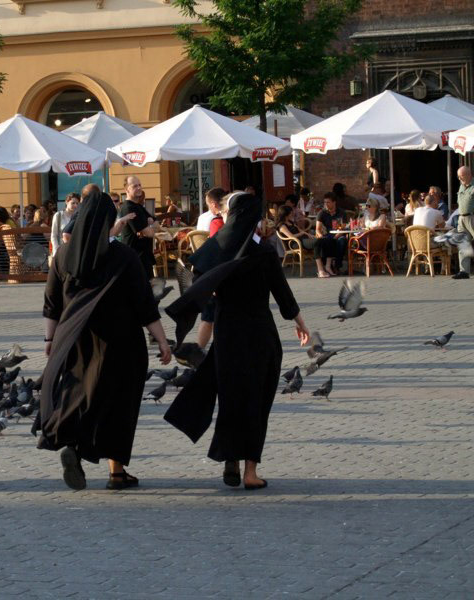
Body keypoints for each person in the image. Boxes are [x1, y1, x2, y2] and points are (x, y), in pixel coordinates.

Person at [164, 193, 310, 490]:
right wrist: (300, 324)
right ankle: (249, 471)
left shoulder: (217, 248)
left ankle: (230, 456)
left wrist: (214, 292)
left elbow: (196, 273)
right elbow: (282, 293)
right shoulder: (264, 252)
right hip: (259, 334)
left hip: (228, 333)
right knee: (257, 400)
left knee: (232, 398)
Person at [37, 189, 171, 491]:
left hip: (75, 338)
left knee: (80, 395)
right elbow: (144, 304)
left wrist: (49, 339)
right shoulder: (123, 256)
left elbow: (51, 302)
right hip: (121, 342)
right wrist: (162, 341)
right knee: (119, 403)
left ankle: (72, 444)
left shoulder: (62, 256)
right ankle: (117, 471)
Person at [117, 176, 157, 279]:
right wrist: (150, 225)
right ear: (127, 190)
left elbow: (157, 225)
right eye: (135, 186)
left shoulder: (138, 206)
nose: (139, 188)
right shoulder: (128, 207)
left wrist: (150, 225)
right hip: (135, 258)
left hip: (144, 257)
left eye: (139, 185)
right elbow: (149, 233)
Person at [315, 192, 347, 277]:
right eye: (325, 202)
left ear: (334, 202)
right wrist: (321, 236)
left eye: (328, 202)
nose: (326, 204)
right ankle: (327, 266)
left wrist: (336, 237)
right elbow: (317, 229)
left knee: (342, 241)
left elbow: (343, 228)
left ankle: (337, 266)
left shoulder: (341, 212)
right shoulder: (322, 213)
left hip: (339, 234)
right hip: (327, 235)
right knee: (325, 241)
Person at [453, 166, 474, 280]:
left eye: (461, 176)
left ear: (469, 175)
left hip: (472, 217)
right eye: (458, 176)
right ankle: (464, 271)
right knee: (463, 243)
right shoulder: (462, 186)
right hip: (462, 218)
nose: (459, 178)